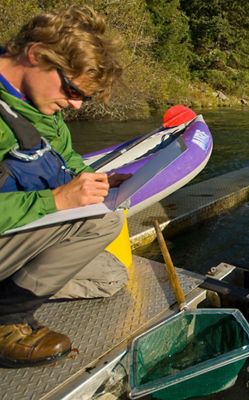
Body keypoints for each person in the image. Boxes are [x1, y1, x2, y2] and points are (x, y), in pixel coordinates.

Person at [0, 6, 128, 367]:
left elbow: (67, 159)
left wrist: (99, 180)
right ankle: (6, 318)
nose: (74, 105)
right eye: (72, 90)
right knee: (101, 223)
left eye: (82, 98)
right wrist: (55, 200)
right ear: (36, 54)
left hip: (14, 229)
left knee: (109, 277)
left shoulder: (40, 106)